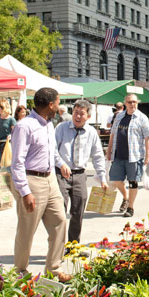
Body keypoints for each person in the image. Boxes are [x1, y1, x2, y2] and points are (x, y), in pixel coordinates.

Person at [10, 87, 71, 282]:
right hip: (31, 181)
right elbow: (17, 162)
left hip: (50, 179)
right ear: (51, 104)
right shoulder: (24, 126)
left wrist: (61, 164)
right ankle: (19, 271)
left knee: (60, 220)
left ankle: (54, 268)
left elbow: (52, 152)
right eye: (58, 102)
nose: (59, 107)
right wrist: (25, 192)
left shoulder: (48, 125)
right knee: (27, 229)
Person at [55, 99, 108, 243]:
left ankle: (73, 246)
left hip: (80, 175)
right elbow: (52, 149)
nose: (77, 116)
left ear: (88, 117)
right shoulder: (61, 128)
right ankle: (57, 247)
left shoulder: (91, 132)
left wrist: (102, 177)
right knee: (59, 212)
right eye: (75, 113)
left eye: (82, 114)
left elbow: (98, 155)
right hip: (61, 173)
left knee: (78, 212)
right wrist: (60, 164)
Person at [106, 93, 149, 218]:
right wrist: (109, 150)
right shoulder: (119, 116)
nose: (132, 104)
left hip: (135, 155)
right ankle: (125, 197)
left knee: (133, 182)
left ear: (137, 103)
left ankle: (130, 207)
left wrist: (148, 155)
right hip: (118, 154)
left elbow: (147, 137)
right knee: (115, 179)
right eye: (130, 102)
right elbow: (113, 134)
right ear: (125, 103)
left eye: (134, 102)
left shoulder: (142, 118)